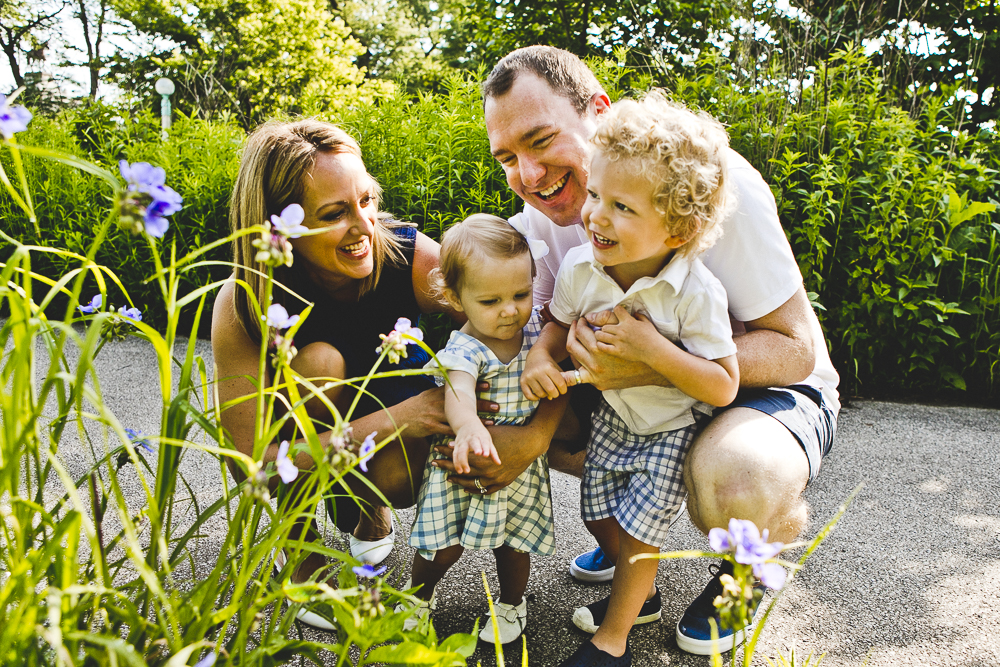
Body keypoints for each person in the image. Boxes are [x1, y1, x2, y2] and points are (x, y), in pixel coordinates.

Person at [480, 46, 840, 657]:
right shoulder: (543, 219)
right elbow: (548, 333)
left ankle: (746, 570)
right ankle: (626, 547)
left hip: (760, 390)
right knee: (511, 397)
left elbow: (794, 350)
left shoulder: (710, 187)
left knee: (735, 479)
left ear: (597, 111)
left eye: (541, 141)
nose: (530, 175)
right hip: (630, 396)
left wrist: (653, 361)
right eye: (508, 158)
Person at [210, 120, 565, 629]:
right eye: (334, 214)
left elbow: (522, 337)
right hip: (313, 427)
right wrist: (403, 417)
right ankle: (302, 553)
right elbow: (252, 460)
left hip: (387, 408)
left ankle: (366, 508)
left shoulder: (405, 255)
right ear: (279, 226)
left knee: (401, 476)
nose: (364, 226)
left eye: (367, 200)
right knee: (320, 363)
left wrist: (532, 437)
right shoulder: (245, 301)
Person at [521, 94, 739, 666]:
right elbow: (555, 325)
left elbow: (722, 385)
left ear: (677, 229)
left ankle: (612, 640)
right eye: (596, 195)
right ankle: (640, 597)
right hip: (617, 418)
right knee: (598, 514)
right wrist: (541, 358)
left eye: (621, 206)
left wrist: (652, 348)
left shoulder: (695, 292)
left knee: (641, 532)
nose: (595, 216)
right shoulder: (581, 269)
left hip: (671, 427)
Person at [402, 214, 555, 644]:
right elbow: (459, 391)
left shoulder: (536, 334)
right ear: (454, 298)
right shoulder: (464, 347)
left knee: (514, 544)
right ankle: (418, 597)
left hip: (518, 465)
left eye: (521, 294)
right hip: (463, 461)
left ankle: (511, 603)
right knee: (440, 544)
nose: (510, 310)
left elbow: (555, 377)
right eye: (490, 301)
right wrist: (467, 425)